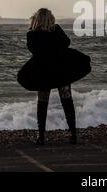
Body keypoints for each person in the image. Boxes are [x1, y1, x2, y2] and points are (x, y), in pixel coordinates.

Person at [27, 8, 77, 145]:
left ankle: (41, 136)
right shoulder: (57, 30)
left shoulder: (31, 34)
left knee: (42, 102)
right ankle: (73, 134)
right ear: (51, 18)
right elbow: (67, 43)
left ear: (36, 18)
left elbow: (32, 50)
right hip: (61, 70)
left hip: (43, 71)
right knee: (67, 101)